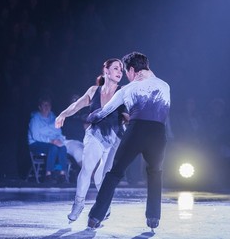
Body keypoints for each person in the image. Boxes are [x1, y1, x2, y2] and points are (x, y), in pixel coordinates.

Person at [86, 52, 170, 231]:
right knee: (155, 173)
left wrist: (90, 116)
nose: (126, 75)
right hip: (158, 134)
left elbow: (103, 113)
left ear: (132, 70)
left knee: (114, 174)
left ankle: (95, 217)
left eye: (126, 71)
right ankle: (153, 217)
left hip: (136, 131)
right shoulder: (165, 85)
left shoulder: (127, 89)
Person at [55, 58, 128, 222]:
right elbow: (75, 106)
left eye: (121, 69)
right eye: (116, 68)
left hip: (114, 139)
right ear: (106, 70)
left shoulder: (123, 92)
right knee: (87, 169)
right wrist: (62, 115)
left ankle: (104, 204)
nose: (119, 71)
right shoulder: (94, 90)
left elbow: (129, 114)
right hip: (95, 135)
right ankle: (78, 204)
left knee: (101, 177)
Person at [28, 96, 68, 183]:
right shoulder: (35, 119)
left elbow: (58, 133)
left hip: (52, 142)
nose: (46, 107)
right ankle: (48, 174)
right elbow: (36, 136)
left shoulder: (54, 118)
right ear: (40, 107)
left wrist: (59, 140)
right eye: (44, 105)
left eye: (48, 105)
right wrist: (51, 141)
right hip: (36, 143)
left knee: (62, 147)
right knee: (53, 148)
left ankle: (62, 174)